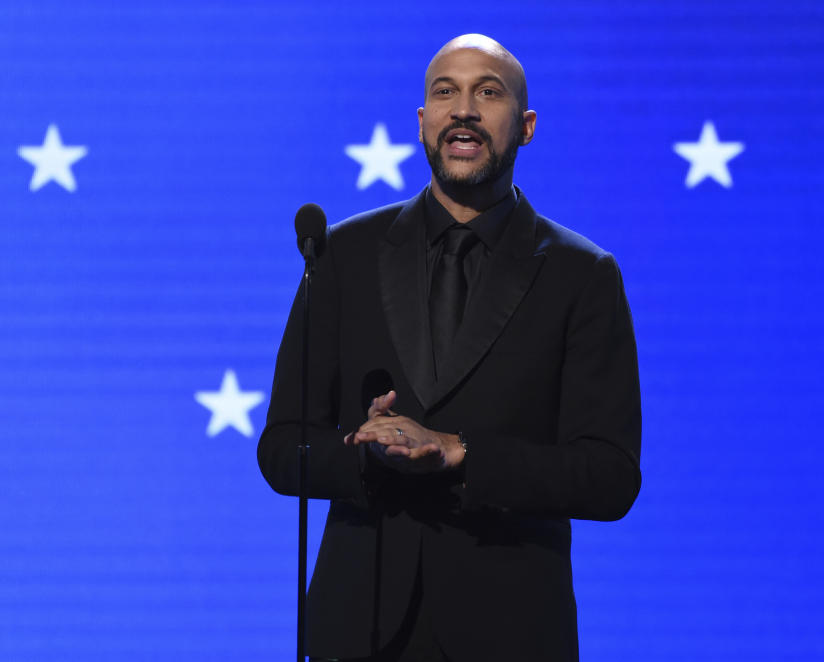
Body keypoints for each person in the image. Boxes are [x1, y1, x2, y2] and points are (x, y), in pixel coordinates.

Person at [258, 34, 642, 662]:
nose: (464, 108)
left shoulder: (583, 275)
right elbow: (281, 448)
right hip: (359, 628)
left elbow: (609, 476)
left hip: (513, 634)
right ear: (422, 123)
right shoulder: (340, 255)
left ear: (525, 126)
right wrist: (364, 454)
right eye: (446, 92)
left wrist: (458, 454)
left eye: (488, 92)